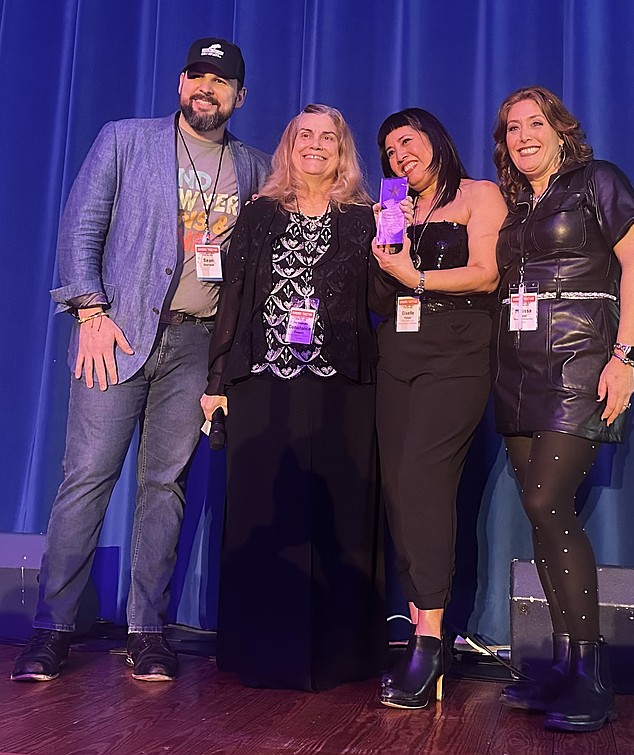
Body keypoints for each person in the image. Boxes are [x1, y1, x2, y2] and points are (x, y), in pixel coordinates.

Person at [11, 38, 270, 683]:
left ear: (240, 96)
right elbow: (81, 227)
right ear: (182, 84)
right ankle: (52, 629)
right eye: (195, 77)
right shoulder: (125, 139)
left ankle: (148, 630)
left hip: (195, 345)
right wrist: (90, 314)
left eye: (220, 81)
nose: (205, 88)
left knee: (165, 486)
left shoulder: (258, 168)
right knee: (87, 478)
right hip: (118, 331)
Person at [201, 104, 385, 691]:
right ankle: (262, 652)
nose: (314, 146)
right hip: (262, 383)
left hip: (341, 389)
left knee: (337, 516)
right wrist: (215, 381)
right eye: (303, 136)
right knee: (265, 513)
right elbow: (233, 298)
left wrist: (394, 237)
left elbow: (380, 298)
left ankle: (341, 655)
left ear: (342, 149)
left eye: (327, 137)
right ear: (287, 147)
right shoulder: (257, 216)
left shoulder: (365, 218)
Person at [492, 85, 634, 731]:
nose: (523, 135)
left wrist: (627, 356)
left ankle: (592, 673)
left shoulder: (599, 179)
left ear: (561, 130)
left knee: (545, 502)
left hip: (581, 357)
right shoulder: (512, 204)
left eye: (535, 123)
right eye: (511, 128)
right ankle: (563, 664)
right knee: (542, 514)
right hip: (517, 367)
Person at [369, 108, 507, 709]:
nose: (400, 155)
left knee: (424, 481)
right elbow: (383, 289)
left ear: (435, 139)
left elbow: (487, 275)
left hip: (458, 353)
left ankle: (431, 642)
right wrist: (384, 247)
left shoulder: (478, 194)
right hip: (397, 353)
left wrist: (416, 275)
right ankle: (419, 631)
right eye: (390, 152)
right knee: (400, 490)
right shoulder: (396, 209)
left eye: (408, 141)